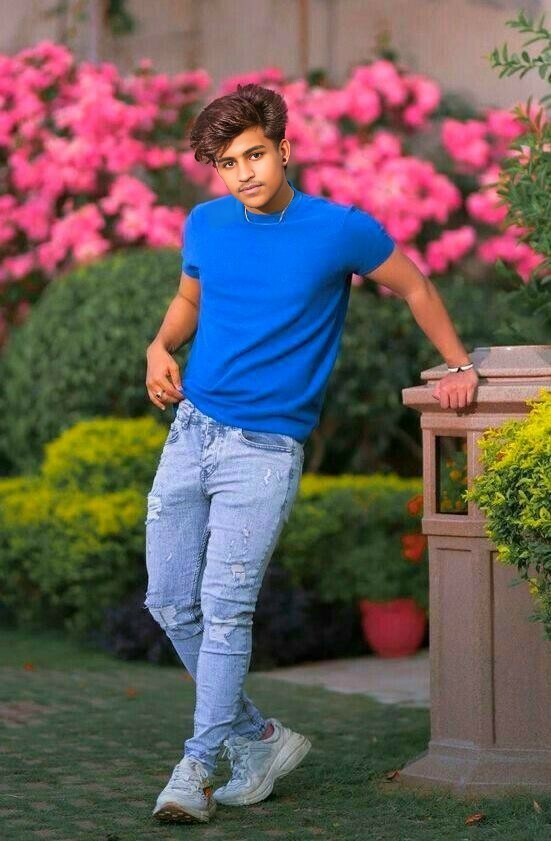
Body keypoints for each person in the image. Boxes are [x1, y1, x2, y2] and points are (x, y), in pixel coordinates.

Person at [143, 83, 479, 824]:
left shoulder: (338, 229)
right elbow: (191, 299)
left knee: (224, 609)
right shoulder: (205, 224)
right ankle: (257, 739)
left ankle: (197, 766)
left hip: (264, 450)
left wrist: (458, 366)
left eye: (254, 155)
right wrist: (159, 346)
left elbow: (415, 286)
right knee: (168, 600)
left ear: (284, 149)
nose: (244, 173)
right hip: (191, 431)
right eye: (228, 163)